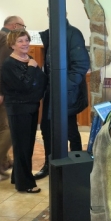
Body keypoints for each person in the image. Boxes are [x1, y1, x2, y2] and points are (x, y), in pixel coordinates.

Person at [34, 15, 90, 179]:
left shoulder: (73, 34)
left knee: (70, 130)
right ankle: (50, 165)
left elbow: (81, 65)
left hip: (67, 93)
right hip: (51, 91)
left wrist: (65, 87)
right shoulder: (50, 34)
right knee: (47, 129)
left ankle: (77, 167)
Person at [0, 29, 46, 193]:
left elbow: (39, 81)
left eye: (26, 40)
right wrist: (33, 69)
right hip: (18, 108)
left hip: (31, 106)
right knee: (22, 146)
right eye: (20, 41)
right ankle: (26, 183)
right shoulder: (9, 64)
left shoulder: (29, 59)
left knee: (27, 145)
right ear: (12, 45)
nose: (25, 43)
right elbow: (24, 85)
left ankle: (17, 177)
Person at [0, 15, 26, 178]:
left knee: (0, 125)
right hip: (0, 87)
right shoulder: (8, 39)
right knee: (13, 125)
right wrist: (2, 91)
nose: (23, 30)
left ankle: (3, 160)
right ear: (14, 26)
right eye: (22, 26)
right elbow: (4, 67)